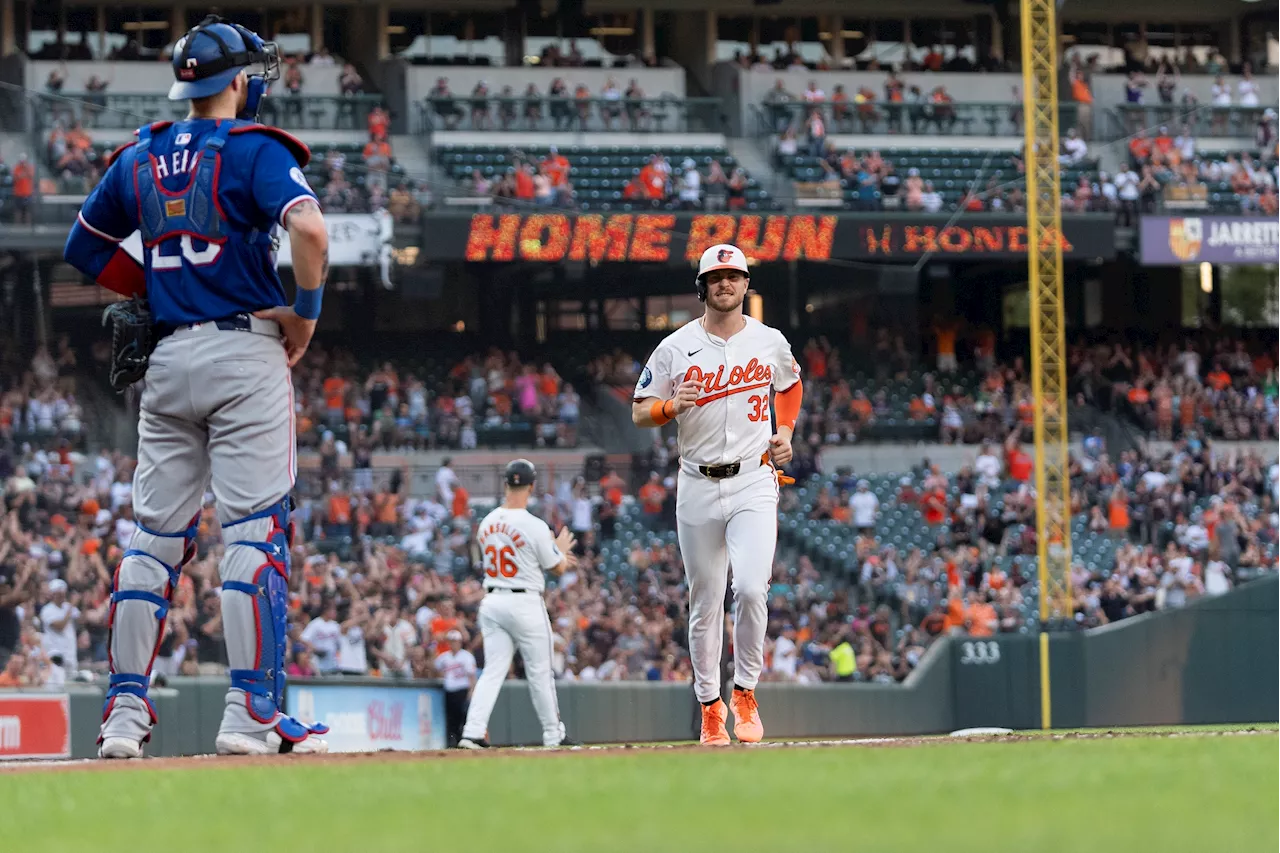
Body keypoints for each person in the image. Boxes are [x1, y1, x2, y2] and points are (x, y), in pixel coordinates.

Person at [62, 15, 330, 759]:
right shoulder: (254, 150)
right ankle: (250, 716)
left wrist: (152, 288)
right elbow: (310, 232)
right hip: (245, 350)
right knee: (253, 534)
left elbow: (82, 245)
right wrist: (304, 315)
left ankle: (121, 717)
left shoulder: (139, 154)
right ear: (238, 83)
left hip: (168, 360)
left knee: (151, 541)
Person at [631, 244, 803, 746]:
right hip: (698, 482)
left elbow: (790, 384)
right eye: (717, 277)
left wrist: (786, 431)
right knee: (705, 600)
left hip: (754, 476)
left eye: (734, 276)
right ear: (702, 287)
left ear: (747, 284)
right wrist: (667, 408)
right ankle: (710, 705)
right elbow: (640, 410)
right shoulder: (674, 346)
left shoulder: (768, 340)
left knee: (751, 588)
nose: (726, 284)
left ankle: (745, 691)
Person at [458, 459, 578, 749]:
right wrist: (559, 550)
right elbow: (557, 568)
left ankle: (472, 732)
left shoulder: (486, 522)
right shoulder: (534, 525)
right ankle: (553, 734)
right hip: (524, 602)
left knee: (493, 670)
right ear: (531, 486)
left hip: (493, 600)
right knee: (539, 673)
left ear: (506, 484)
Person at [434, 629, 476, 747]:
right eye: (451, 641)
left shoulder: (466, 656)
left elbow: (471, 676)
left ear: (460, 642)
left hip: (462, 691)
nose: (453, 644)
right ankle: (453, 744)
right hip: (449, 692)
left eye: (455, 641)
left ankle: (464, 741)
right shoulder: (444, 657)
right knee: (451, 720)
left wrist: (471, 691)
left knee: (463, 718)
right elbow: (434, 668)